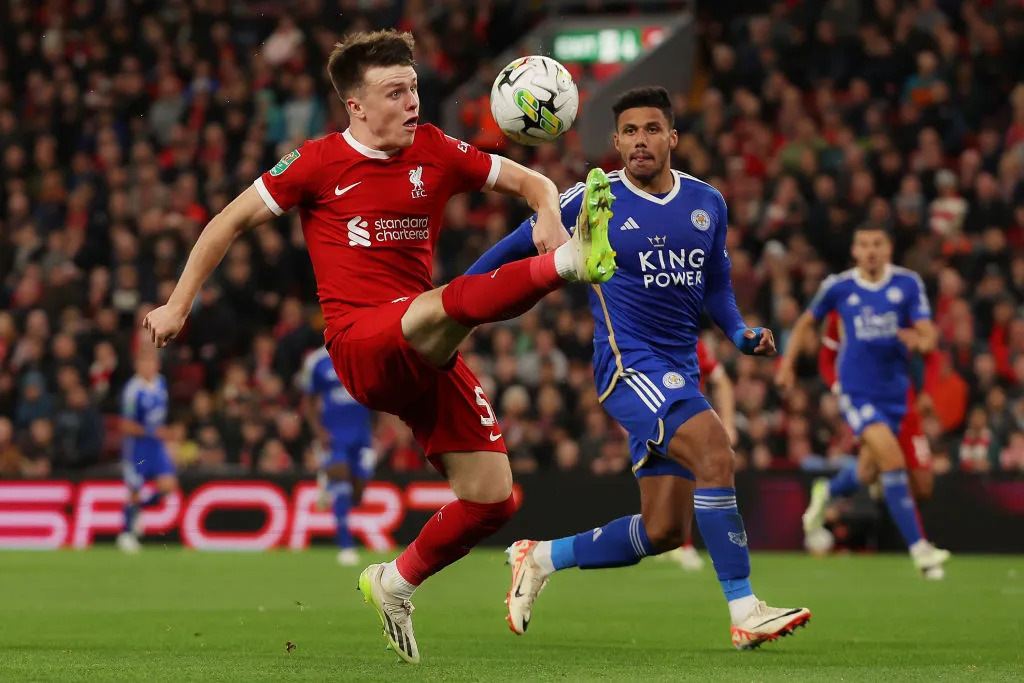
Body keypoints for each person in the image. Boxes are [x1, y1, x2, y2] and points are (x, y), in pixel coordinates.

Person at [141, 30, 616, 664]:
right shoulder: (315, 162)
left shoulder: (435, 150)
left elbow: (529, 180)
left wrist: (547, 212)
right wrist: (178, 304)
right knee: (448, 303)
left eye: (414, 88)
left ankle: (394, 581)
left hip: (422, 351)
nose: (411, 102)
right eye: (394, 92)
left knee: (493, 498)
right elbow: (226, 221)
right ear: (356, 106)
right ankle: (567, 267)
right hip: (361, 341)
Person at [467, 86, 810, 650]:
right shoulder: (589, 201)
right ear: (616, 141)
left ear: (672, 138)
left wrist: (741, 333)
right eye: (629, 132)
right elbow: (508, 251)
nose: (640, 141)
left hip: (678, 370)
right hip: (628, 366)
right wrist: (454, 301)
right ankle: (746, 609)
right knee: (715, 451)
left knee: (664, 529)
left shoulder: (708, 203)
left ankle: (541, 556)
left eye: (652, 130)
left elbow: (717, 284)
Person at [776, 225, 951, 577]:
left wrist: (923, 340)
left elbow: (928, 333)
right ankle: (921, 551)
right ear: (854, 251)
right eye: (864, 244)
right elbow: (805, 324)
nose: (871, 250)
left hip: (897, 395)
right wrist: (787, 364)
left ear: (888, 249)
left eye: (878, 244)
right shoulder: (838, 287)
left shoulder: (907, 284)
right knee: (890, 458)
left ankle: (827, 489)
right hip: (857, 392)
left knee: (873, 470)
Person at [300, 345, 375, 567]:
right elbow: (309, 402)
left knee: (357, 493)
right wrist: (319, 431)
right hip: (334, 435)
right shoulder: (317, 362)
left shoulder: (364, 354)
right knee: (341, 486)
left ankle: (326, 480)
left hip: (362, 434)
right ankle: (346, 546)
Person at [117, 350, 178, 554]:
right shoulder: (132, 390)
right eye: (143, 363)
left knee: (169, 486)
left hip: (157, 446)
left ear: (156, 365)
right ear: (137, 366)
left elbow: (160, 417)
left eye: (151, 362)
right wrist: (154, 432)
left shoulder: (161, 384)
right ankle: (126, 534)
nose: (147, 367)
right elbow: (125, 425)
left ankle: (137, 513)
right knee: (134, 489)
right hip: (138, 447)